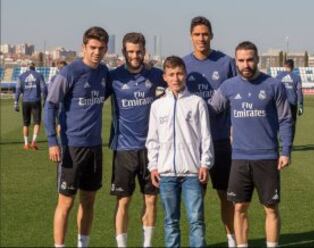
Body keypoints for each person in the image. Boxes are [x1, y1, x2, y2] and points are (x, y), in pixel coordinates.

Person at [209, 41, 293, 248]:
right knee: (239, 208)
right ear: (236, 62)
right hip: (239, 158)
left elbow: (285, 119)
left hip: (267, 157)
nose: (245, 64)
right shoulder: (228, 87)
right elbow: (209, 110)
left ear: (257, 60)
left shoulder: (274, 85)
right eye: (241, 60)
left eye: (249, 60)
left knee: (271, 208)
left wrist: (286, 151)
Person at [44, 26, 110, 248]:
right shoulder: (69, 72)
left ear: (106, 49)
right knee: (66, 202)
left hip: (94, 148)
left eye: (101, 48)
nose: (96, 52)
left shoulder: (103, 74)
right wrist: (53, 141)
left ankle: (83, 244)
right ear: (83, 47)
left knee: (89, 200)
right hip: (71, 147)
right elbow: (50, 105)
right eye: (92, 47)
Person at [146, 56, 214, 248]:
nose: (176, 78)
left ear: (185, 75)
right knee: (170, 222)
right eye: (171, 74)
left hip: (192, 173)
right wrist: (153, 166)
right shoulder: (157, 106)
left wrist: (205, 163)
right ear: (165, 77)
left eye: (179, 74)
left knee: (196, 221)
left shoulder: (197, 102)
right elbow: (152, 140)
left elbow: (206, 136)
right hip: (166, 173)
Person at [182, 16, 237, 247]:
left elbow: (237, 96)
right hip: (194, 145)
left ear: (211, 35)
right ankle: (198, 242)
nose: (201, 38)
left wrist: (235, 129)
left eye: (205, 34)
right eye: (197, 34)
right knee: (196, 199)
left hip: (222, 140)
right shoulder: (183, 65)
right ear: (190, 36)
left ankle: (233, 240)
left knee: (226, 196)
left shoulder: (226, 62)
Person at [108, 32, 166, 248]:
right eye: (131, 51)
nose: (135, 55)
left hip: (152, 150)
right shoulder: (113, 77)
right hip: (124, 149)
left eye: (139, 51)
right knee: (123, 200)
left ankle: (147, 244)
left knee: (150, 199)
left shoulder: (156, 75)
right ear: (124, 52)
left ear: (144, 51)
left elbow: (177, 82)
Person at [14, 62, 46, 150]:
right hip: (36, 101)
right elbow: (44, 88)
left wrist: (16, 102)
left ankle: (26, 144)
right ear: (34, 67)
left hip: (25, 101)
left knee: (25, 123)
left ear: (27, 67)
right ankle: (33, 142)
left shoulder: (21, 76)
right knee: (37, 122)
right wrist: (45, 100)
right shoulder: (39, 75)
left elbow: (17, 90)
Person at [275, 59, 304, 142]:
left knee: (280, 120)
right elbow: (299, 92)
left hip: (281, 103)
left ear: (284, 66)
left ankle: (280, 135)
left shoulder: (278, 76)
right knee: (292, 123)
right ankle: (290, 141)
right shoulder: (297, 78)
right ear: (293, 67)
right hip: (292, 104)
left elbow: (275, 90)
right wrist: (301, 105)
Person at [45, 60, 68, 135]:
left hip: (54, 102)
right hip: (62, 102)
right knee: (60, 122)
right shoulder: (68, 77)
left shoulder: (53, 78)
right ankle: (60, 140)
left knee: (54, 121)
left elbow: (49, 90)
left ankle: (57, 139)